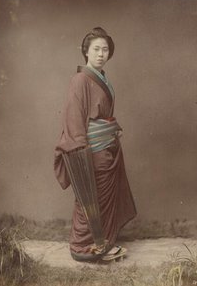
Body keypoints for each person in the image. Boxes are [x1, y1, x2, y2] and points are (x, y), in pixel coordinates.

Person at [54, 27, 137, 262]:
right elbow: (74, 117)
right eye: (96, 49)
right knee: (90, 198)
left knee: (102, 200)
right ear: (86, 52)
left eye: (105, 49)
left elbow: (103, 116)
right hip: (91, 150)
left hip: (107, 148)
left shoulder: (102, 79)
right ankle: (82, 248)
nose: (101, 54)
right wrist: (80, 151)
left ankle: (103, 243)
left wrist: (111, 131)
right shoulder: (80, 79)